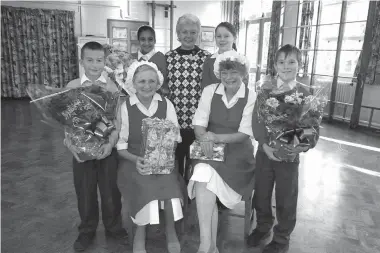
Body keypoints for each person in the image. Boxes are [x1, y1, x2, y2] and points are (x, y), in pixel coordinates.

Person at [247, 44, 319, 253]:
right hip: (265, 152)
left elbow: (311, 127)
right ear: (275, 65)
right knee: (261, 193)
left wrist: (300, 146)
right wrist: (264, 144)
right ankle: (263, 227)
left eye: (291, 62)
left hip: (289, 155)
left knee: (286, 197)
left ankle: (282, 237)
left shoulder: (305, 94)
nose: (286, 66)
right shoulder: (266, 90)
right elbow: (257, 121)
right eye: (281, 62)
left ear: (299, 64)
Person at [188, 50, 256, 253]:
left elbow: (244, 134)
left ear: (243, 73)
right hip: (210, 148)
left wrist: (214, 137)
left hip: (238, 155)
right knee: (202, 175)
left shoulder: (251, 96)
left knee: (205, 180)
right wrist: (204, 137)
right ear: (219, 73)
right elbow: (199, 123)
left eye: (234, 72)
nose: (229, 77)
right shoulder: (210, 91)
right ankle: (207, 244)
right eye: (224, 73)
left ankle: (207, 245)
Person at [65, 41, 127, 252]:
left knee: (111, 191)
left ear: (104, 61)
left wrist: (110, 145)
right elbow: (67, 122)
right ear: (82, 61)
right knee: (85, 192)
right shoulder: (72, 87)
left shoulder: (111, 88)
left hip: (107, 150)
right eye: (89, 60)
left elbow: (117, 121)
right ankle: (87, 230)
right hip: (81, 152)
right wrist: (71, 144)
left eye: (99, 60)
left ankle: (114, 227)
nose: (95, 65)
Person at [116, 61, 185, 253]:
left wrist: (163, 157)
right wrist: (136, 160)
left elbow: (175, 135)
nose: (147, 86)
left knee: (170, 184)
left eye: (152, 81)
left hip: (164, 158)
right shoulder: (125, 107)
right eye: (142, 81)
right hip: (133, 159)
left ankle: (171, 232)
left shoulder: (166, 104)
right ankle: (140, 234)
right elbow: (120, 146)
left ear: (158, 83)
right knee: (144, 185)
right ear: (133, 82)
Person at [165, 13, 211, 180]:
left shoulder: (206, 58)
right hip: (174, 122)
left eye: (193, 32)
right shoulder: (168, 58)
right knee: (175, 162)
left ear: (198, 34)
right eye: (184, 32)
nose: (188, 36)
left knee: (196, 163)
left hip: (198, 123)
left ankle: (193, 195)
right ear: (178, 34)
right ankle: (178, 198)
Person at [131, 25, 168, 95]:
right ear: (138, 41)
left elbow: (164, 82)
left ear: (155, 41)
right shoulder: (131, 58)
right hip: (135, 99)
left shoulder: (160, 58)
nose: (146, 43)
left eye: (150, 39)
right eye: (143, 39)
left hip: (155, 99)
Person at [201, 22, 238, 88]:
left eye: (226, 36)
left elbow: (243, 88)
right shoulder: (209, 60)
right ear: (215, 38)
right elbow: (205, 86)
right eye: (219, 36)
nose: (222, 39)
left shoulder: (241, 60)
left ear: (234, 38)